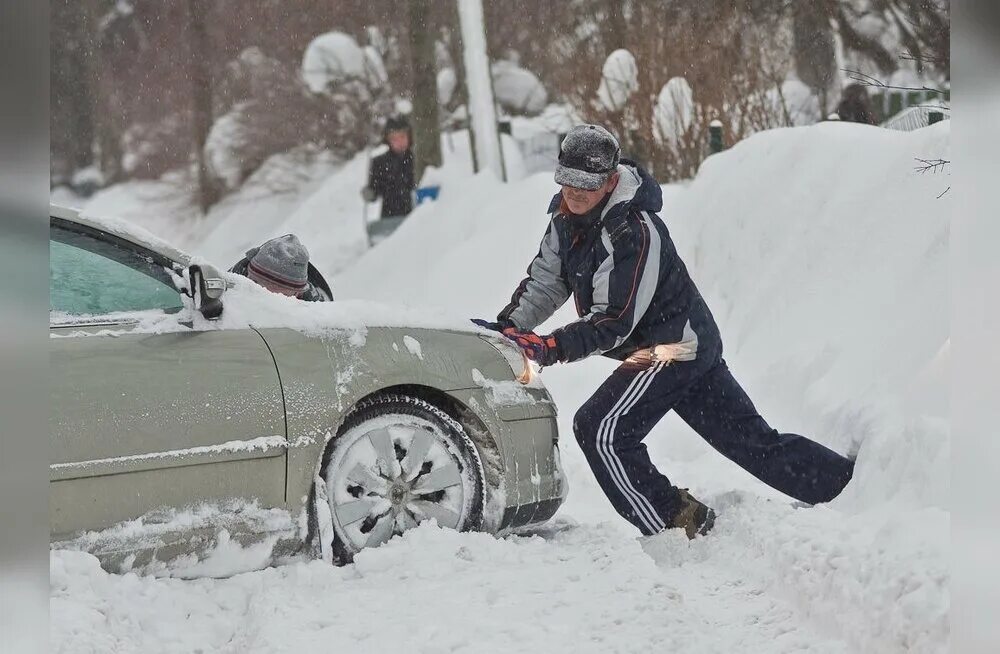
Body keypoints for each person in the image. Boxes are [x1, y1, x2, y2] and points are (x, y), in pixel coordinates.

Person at [474, 124, 855, 539]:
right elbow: (547, 281)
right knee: (752, 441)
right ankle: (849, 486)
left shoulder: (635, 231)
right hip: (676, 344)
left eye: (587, 184)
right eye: (567, 181)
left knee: (601, 430)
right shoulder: (565, 221)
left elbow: (615, 319)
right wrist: (508, 329)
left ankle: (674, 523)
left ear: (611, 179)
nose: (575, 193)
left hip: (672, 347)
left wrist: (550, 347)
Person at [229, 234, 331, 302]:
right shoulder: (223, 293)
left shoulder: (319, 319)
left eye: (281, 297)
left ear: (298, 294)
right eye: (255, 284)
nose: (263, 298)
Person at [362, 115, 416, 220]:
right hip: (390, 219)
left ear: (409, 137)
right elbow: (375, 189)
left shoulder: (417, 161)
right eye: (394, 139)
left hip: (417, 217)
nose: (399, 142)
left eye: (402, 137)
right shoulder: (379, 163)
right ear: (388, 140)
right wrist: (370, 194)